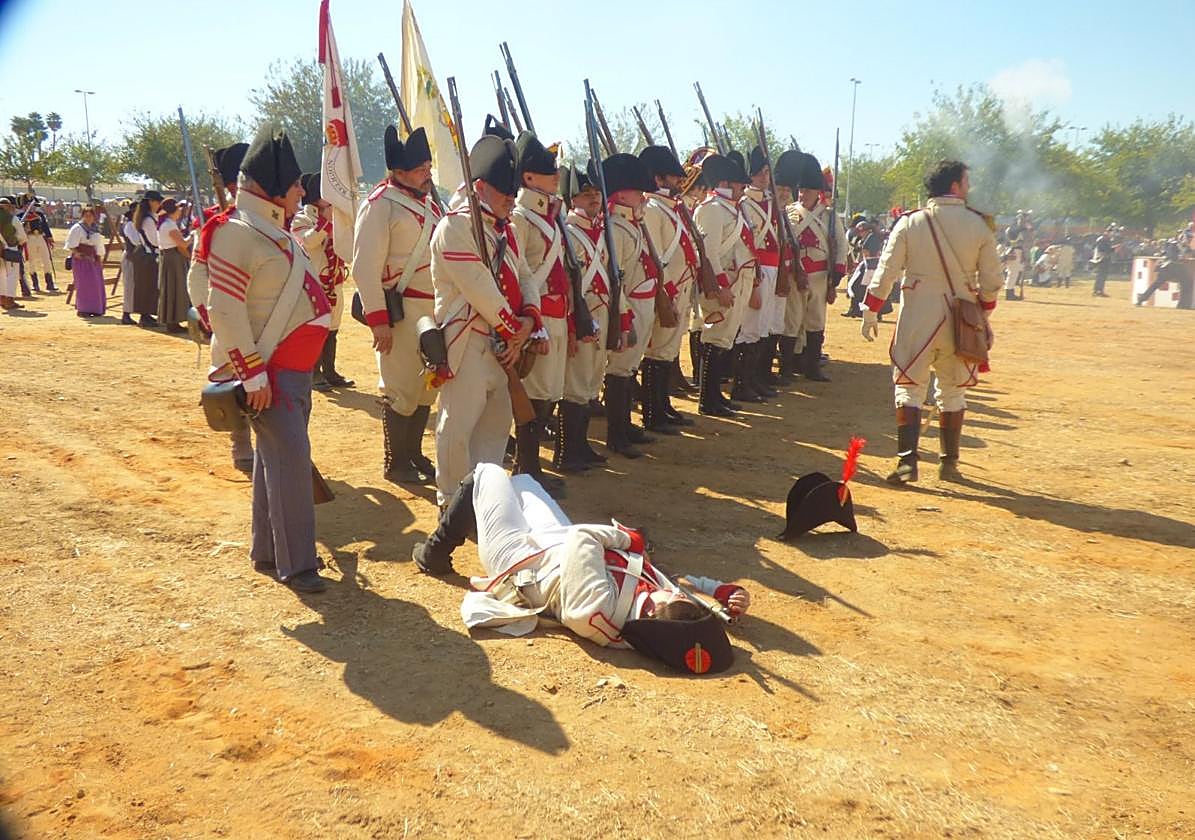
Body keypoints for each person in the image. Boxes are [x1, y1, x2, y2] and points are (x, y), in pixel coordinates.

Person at [412, 462, 751, 671]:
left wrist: (630, 540)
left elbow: (584, 538)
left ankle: (434, 553)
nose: (668, 592)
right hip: (553, 546)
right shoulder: (661, 615)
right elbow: (678, 586)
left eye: (667, 599)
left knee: (488, 473)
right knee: (524, 482)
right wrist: (724, 595)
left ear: (651, 617)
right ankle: (472, 521)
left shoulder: (597, 611)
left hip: (520, 562)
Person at [186, 125, 332, 593]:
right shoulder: (236, 232)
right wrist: (251, 374)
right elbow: (224, 309)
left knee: (275, 465)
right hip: (268, 371)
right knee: (289, 464)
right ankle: (299, 564)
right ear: (271, 188)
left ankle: (269, 552)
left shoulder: (273, 231)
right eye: (293, 186)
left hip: (290, 371)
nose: (299, 193)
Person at [861, 160, 1003, 484]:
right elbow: (992, 281)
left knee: (909, 388)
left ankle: (907, 463)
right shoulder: (979, 226)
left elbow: (886, 270)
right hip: (962, 316)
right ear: (954, 186)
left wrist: (871, 309)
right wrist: (982, 313)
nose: (969, 188)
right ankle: (949, 464)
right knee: (953, 391)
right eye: (966, 182)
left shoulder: (909, 224)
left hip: (917, 315)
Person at [429, 134, 539, 506]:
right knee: (457, 427)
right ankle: (450, 501)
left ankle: (483, 503)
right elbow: (480, 290)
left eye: (513, 190)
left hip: (504, 343)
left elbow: (525, 276)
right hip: (469, 341)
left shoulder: (506, 228)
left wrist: (529, 321)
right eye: (503, 190)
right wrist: (515, 331)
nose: (511, 197)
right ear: (479, 187)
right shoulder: (455, 228)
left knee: (495, 429)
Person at [352, 126, 442, 485]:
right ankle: (396, 461)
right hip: (401, 311)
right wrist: (378, 321)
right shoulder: (379, 205)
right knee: (400, 387)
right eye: (421, 169)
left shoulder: (429, 204)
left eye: (428, 167)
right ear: (399, 172)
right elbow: (364, 267)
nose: (428, 174)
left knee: (425, 388)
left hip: (432, 310)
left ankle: (415, 453)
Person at [510, 130, 569, 492]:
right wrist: (532, 323)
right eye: (550, 174)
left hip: (556, 313)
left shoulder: (548, 215)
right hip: (537, 316)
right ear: (529, 178)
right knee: (531, 392)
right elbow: (516, 275)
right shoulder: (521, 218)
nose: (556, 178)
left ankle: (531, 468)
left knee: (547, 390)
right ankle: (526, 468)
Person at [599, 153, 657, 457]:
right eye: (637, 191)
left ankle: (625, 426)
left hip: (642, 303)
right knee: (619, 371)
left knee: (630, 368)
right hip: (629, 305)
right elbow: (615, 279)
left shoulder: (631, 225)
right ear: (622, 193)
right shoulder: (616, 228)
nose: (642, 196)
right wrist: (625, 316)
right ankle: (616, 434)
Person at [639, 145, 700, 432]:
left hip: (680, 289)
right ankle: (653, 413)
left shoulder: (671, 208)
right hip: (666, 292)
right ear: (659, 179)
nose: (680, 183)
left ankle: (662, 406)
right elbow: (654, 256)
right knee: (656, 352)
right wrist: (666, 292)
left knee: (667, 351)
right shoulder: (653, 209)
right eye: (674, 178)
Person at [558, 167, 611, 472]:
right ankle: (567, 451)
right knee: (575, 383)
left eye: (596, 193)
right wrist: (572, 323)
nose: (593, 198)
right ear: (572, 198)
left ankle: (581, 445)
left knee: (591, 381)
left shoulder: (601, 233)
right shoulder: (569, 231)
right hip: (581, 313)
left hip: (601, 311)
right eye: (586, 194)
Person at [693, 153, 755, 417]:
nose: (743, 188)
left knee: (726, 340)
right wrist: (720, 286)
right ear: (727, 183)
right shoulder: (712, 209)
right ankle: (708, 398)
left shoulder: (733, 209)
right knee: (715, 338)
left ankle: (715, 395)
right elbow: (710, 252)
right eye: (740, 184)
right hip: (725, 283)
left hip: (738, 281)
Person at [780, 152, 847, 383]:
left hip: (819, 275)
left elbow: (840, 245)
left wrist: (836, 273)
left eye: (807, 190)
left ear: (817, 192)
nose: (803, 194)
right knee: (791, 320)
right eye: (801, 190)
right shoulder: (789, 213)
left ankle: (811, 366)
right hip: (794, 274)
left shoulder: (829, 217)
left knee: (815, 321)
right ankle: (786, 368)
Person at [292, 172, 353, 392]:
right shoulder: (302, 219)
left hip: (334, 281)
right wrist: (325, 224)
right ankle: (314, 373)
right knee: (317, 329)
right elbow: (306, 242)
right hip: (314, 283)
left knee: (333, 329)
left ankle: (329, 371)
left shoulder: (335, 217)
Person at [155, 198, 192, 331]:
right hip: (173, 258)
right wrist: (194, 234)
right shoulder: (169, 224)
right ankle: (172, 321)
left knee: (172, 289)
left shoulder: (167, 223)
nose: (180, 211)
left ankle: (173, 321)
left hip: (170, 258)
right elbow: (183, 243)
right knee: (175, 288)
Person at [65, 206, 107, 317]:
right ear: (82, 216)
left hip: (93, 259)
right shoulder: (77, 228)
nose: (88, 218)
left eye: (90, 215)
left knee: (96, 284)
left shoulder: (95, 229)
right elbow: (71, 244)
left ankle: (96, 309)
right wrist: (77, 253)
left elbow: (98, 244)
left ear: (94, 217)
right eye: (86, 215)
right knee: (84, 284)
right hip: (81, 259)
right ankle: (83, 309)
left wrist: (99, 257)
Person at [131, 192, 162, 326]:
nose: (159, 204)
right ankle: (145, 315)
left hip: (149, 254)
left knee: (150, 286)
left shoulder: (150, 218)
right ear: (151, 202)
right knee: (147, 286)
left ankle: (148, 314)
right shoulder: (148, 220)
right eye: (157, 201)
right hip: (149, 255)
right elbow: (155, 240)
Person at [21, 199, 57, 292]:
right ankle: (35, 284)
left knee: (46, 259)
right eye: (28, 205)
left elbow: (45, 226)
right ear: (24, 206)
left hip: (41, 237)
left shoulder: (39, 215)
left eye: (32, 205)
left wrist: (49, 237)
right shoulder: (21, 216)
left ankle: (50, 284)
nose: (32, 207)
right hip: (30, 239)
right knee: (32, 261)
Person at [0, 197, 24, 310]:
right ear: (9, 206)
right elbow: (22, 237)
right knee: (12, 275)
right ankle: (9, 301)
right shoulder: (13, 219)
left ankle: (2, 299)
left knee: (1, 275)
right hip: (10, 248)